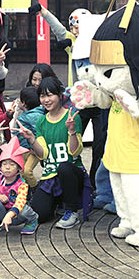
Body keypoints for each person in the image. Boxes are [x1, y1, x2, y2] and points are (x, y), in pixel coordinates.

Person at [28, 78, 86, 229]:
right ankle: (57, 202)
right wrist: (32, 140)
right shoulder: (41, 121)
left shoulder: (72, 117)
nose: (46, 100)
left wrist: (72, 131)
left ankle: (71, 211)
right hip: (49, 176)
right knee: (38, 215)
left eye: (50, 95)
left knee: (64, 167)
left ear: (60, 94)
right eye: (42, 96)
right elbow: (43, 155)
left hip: (71, 173)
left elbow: (74, 152)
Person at [0, 140, 38, 236]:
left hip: (17, 215)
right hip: (2, 212)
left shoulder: (22, 184)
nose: (7, 167)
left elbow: (20, 202)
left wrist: (10, 215)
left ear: (19, 168)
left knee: (24, 209)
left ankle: (32, 221)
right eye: (4, 164)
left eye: (12, 165)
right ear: (0, 166)